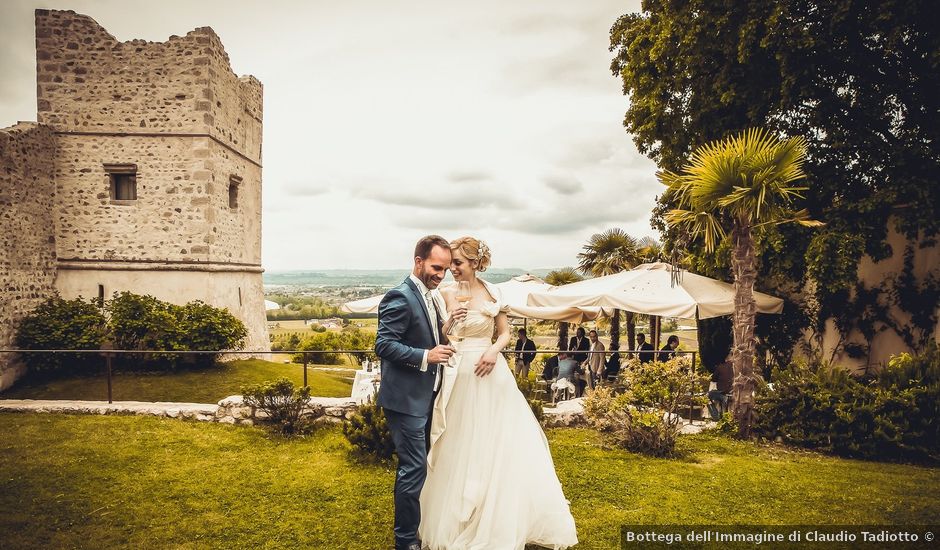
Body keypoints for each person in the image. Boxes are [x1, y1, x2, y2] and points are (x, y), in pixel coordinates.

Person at [419, 236, 578, 550]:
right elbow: (441, 337)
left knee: (497, 441)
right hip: (459, 373)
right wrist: (448, 324)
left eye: (458, 264)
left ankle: (497, 514)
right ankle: (460, 517)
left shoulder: (494, 292)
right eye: (450, 264)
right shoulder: (445, 293)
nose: (452, 270)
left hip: (490, 373)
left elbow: (504, 333)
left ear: (475, 263)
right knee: (460, 441)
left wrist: (493, 351)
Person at [375, 235, 458, 550]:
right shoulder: (400, 296)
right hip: (406, 401)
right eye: (437, 267)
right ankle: (406, 541)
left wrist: (448, 330)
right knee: (414, 468)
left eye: (446, 269)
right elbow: (383, 345)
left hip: (426, 397)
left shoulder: (430, 296)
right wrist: (427, 356)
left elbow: (428, 335)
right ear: (419, 260)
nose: (441, 274)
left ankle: (413, 530)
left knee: (417, 466)